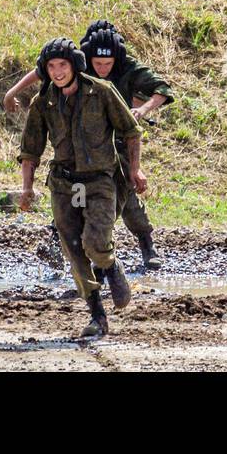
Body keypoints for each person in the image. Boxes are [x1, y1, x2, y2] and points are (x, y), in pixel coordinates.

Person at [18, 38, 143, 339]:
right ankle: (97, 315)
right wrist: (27, 189)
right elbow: (30, 150)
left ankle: (111, 266)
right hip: (63, 183)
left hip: (99, 180)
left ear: (74, 65)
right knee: (74, 251)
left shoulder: (101, 92)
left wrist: (136, 170)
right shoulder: (43, 101)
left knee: (96, 242)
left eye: (62, 65)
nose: (58, 72)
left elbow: (131, 131)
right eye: (51, 67)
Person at [78, 25, 173, 269]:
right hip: (83, 145)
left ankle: (146, 243)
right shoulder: (77, 66)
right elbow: (45, 70)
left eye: (107, 64)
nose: (102, 69)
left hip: (119, 144)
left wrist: (142, 109)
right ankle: (59, 239)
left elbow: (162, 89)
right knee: (74, 194)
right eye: (97, 63)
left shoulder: (128, 68)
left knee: (127, 198)